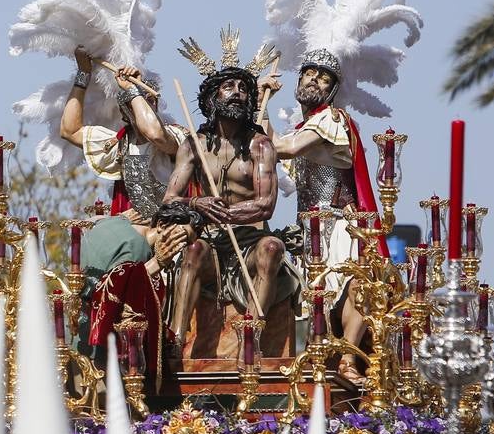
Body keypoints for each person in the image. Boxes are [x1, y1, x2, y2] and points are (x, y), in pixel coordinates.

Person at [164, 30, 301, 342]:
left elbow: (265, 204)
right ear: (213, 98)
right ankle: (176, 339)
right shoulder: (193, 145)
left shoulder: (260, 145)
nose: (237, 92)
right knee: (194, 250)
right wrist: (196, 204)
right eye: (229, 87)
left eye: (243, 88)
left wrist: (224, 212)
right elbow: (170, 198)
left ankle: (250, 337)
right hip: (209, 240)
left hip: (251, 240)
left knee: (272, 248)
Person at [259, 49, 385, 384]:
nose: (313, 79)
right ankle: (315, 360)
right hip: (309, 228)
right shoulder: (305, 126)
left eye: (323, 77)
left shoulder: (331, 121)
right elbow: (271, 142)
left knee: (355, 285)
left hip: (340, 226)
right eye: (309, 73)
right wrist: (262, 102)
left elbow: (284, 149)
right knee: (309, 298)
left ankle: (347, 359)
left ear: (331, 89)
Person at [74, 205, 193, 387]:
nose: (179, 248)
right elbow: (115, 293)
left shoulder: (114, 223)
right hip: (96, 352)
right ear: (160, 225)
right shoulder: (138, 249)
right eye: (180, 238)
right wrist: (156, 263)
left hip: (76, 337)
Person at [62, 45, 186, 220]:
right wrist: (84, 72)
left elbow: (154, 133)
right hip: (133, 232)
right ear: (123, 113)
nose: (142, 105)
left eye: (148, 100)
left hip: (172, 226)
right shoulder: (120, 143)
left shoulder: (176, 137)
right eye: (133, 101)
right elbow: (70, 130)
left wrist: (132, 90)